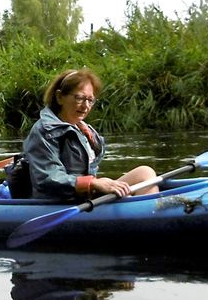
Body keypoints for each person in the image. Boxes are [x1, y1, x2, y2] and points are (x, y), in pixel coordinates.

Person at [17, 68, 158, 201]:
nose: (86, 106)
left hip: (84, 196)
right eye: (79, 98)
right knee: (144, 174)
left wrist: (99, 183)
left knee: (145, 173)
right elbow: (47, 178)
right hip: (59, 201)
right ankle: (152, 218)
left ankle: (148, 214)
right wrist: (92, 183)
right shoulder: (43, 130)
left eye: (90, 100)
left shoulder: (83, 129)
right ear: (60, 97)